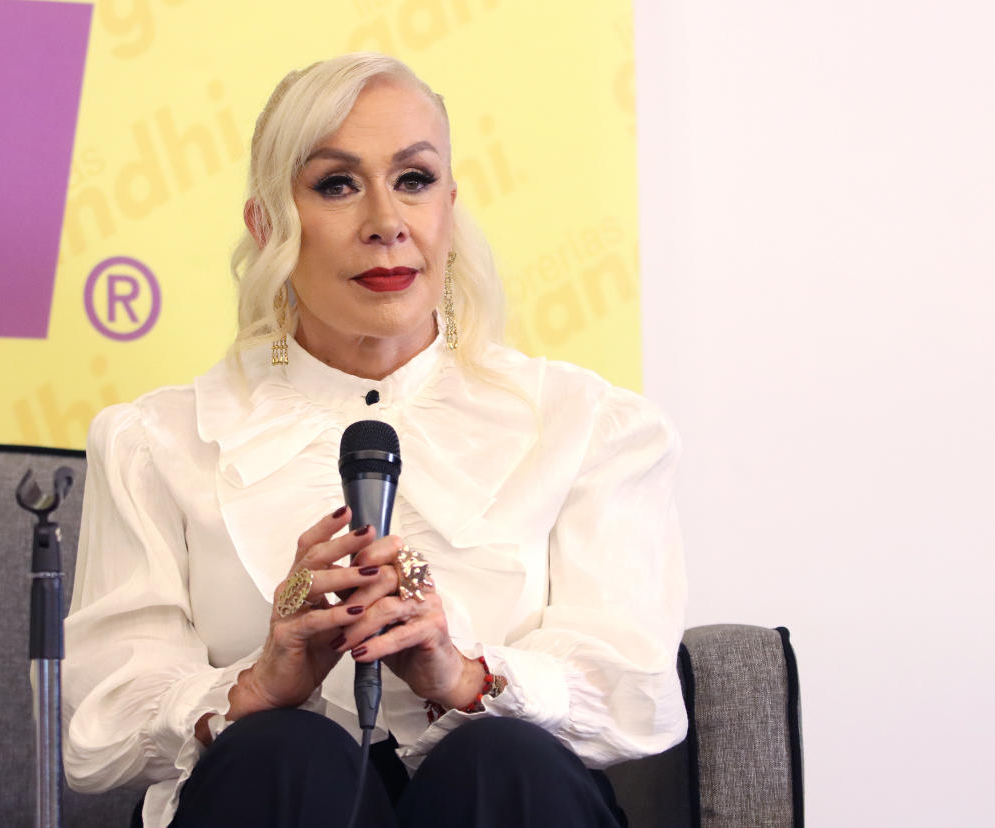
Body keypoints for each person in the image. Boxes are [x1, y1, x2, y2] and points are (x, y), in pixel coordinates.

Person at [61, 53, 686, 828]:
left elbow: (641, 699)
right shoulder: (153, 443)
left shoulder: (590, 425)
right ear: (267, 227)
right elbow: (99, 734)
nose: (387, 221)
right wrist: (257, 687)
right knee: (282, 752)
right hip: (271, 800)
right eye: (337, 184)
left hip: (509, 801)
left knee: (504, 758)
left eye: (414, 180)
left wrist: (465, 677)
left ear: (449, 212)